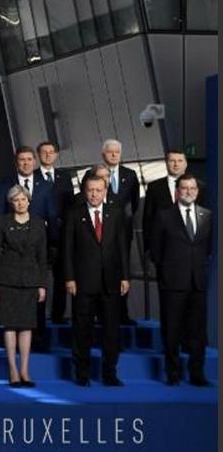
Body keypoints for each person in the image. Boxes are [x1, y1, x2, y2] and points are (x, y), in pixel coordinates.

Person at [63, 172, 129, 387]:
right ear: (84, 191)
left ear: (105, 191)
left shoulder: (116, 213)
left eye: (98, 190)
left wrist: (125, 277)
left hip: (111, 282)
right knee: (82, 329)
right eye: (90, 190)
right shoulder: (74, 214)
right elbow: (68, 250)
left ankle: (110, 373)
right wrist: (70, 278)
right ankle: (81, 373)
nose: (94, 194)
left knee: (111, 330)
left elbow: (122, 248)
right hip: (83, 282)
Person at [151, 174, 212, 386]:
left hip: (198, 283)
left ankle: (197, 374)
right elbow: (155, 251)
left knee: (197, 332)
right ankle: (173, 374)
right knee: (172, 331)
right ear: (177, 191)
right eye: (184, 188)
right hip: (173, 283)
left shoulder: (207, 215)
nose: (188, 191)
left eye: (192, 188)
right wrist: (167, 272)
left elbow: (209, 249)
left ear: (197, 191)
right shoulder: (164, 215)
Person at [0, 146, 58, 350]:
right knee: (12, 307)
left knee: (36, 298)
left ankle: (38, 342)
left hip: (35, 250)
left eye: (30, 159)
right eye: (22, 159)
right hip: (11, 256)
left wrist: (53, 246)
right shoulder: (5, 185)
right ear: (16, 162)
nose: (26, 163)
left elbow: (52, 217)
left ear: (35, 161)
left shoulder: (46, 186)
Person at [0, 185, 47, 387]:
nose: (20, 203)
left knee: (27, 327)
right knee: (10, 326)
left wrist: (42, 284)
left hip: (30, 281)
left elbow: (42, 256)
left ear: (29, 201)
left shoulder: (39, 224)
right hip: (7, 280)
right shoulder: (3, 222)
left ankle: (25, 371)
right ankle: (13, 370)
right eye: (16, 200)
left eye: (23, 199)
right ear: (10, 203)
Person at [101, 139, 140, 326]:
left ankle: (122, 313)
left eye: (117, 152)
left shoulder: (131, 175)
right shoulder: (94, 174)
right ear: (103, 155)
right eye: (110, 152)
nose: (114, 155)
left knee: (124, 272)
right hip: (100, 232)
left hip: (123, 232)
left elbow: (135, 204)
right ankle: (100, 313)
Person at [36, 141, 75, 325]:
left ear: (56, 155)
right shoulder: (32, 177)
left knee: (61, 275)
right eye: (44, 152)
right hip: (37, 233)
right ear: (38, 155)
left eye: (51, 152)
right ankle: (38, 316)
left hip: (60, 233)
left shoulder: (65, 177)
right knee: (38, 275)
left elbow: (70, 205)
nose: (48, 155)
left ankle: (58, 314)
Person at [143, 149, 198, 261]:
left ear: (186, 163)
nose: (176, 164)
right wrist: (148, 248)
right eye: (172, 160)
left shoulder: (200, 187)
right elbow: (148, 219)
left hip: (192, 251)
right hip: (163, 251)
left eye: (180, 160)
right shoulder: (154, 187)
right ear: (166, 163)